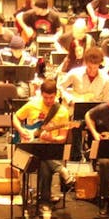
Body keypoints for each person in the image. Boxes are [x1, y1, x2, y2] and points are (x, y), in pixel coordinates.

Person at [13, 79, 75, 209]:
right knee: (43, 158)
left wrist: (51, 138)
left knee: (44, 163)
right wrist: (21, 130)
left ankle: (44, 201)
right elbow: (15, 117)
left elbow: (62, 139)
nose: (48, 101)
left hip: (51, 148)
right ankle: (60, 173)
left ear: (56, 94)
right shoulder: (32, 105)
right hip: (31, 146)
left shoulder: (62, 112)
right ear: (41, 94)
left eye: (51, 97)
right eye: (46, 97)